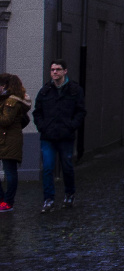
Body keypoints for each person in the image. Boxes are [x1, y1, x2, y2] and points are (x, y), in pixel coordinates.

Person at [32, 60, 85, 212]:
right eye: (52, 69)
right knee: (48, 168)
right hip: (48, 136)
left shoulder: (74, 90)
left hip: (65, 136)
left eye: (58, 69)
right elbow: (37, 112)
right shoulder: (45, 91)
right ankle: (48, 199)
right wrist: (42, 127)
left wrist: (71, 126)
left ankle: (69, 194)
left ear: (65, 71)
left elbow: (80, 111)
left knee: (67, 167)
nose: (54, 72)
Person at [0, 73, 32, 212]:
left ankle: (8, 202)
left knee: (10, 171)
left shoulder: (11, 102)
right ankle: (4, 200)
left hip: (9, 141)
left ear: (4, 86)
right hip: (5, 139)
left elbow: (6, 120)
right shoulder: (7, 100)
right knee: (10, 171)